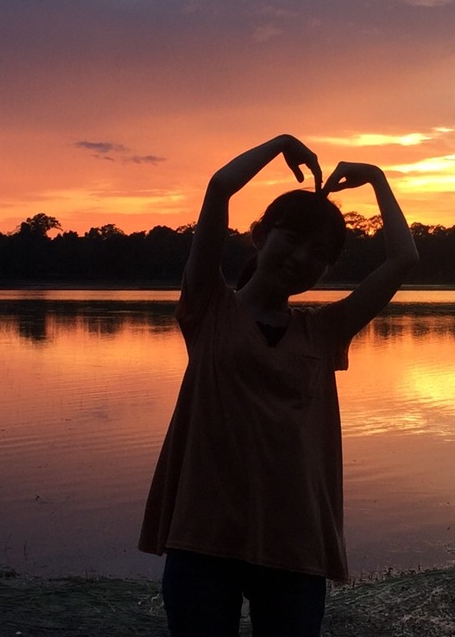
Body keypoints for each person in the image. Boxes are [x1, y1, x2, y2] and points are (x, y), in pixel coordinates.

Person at [138, 134, 419, 637]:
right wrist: (281, 144)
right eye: (292, 238)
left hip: (295, 543)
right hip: (204, 537)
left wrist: (377, 177)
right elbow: (219, 188)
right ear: (261, 234)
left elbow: (402, 260)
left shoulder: (324, 331)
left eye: (321, 254)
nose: (303, 257)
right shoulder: (209, 307)